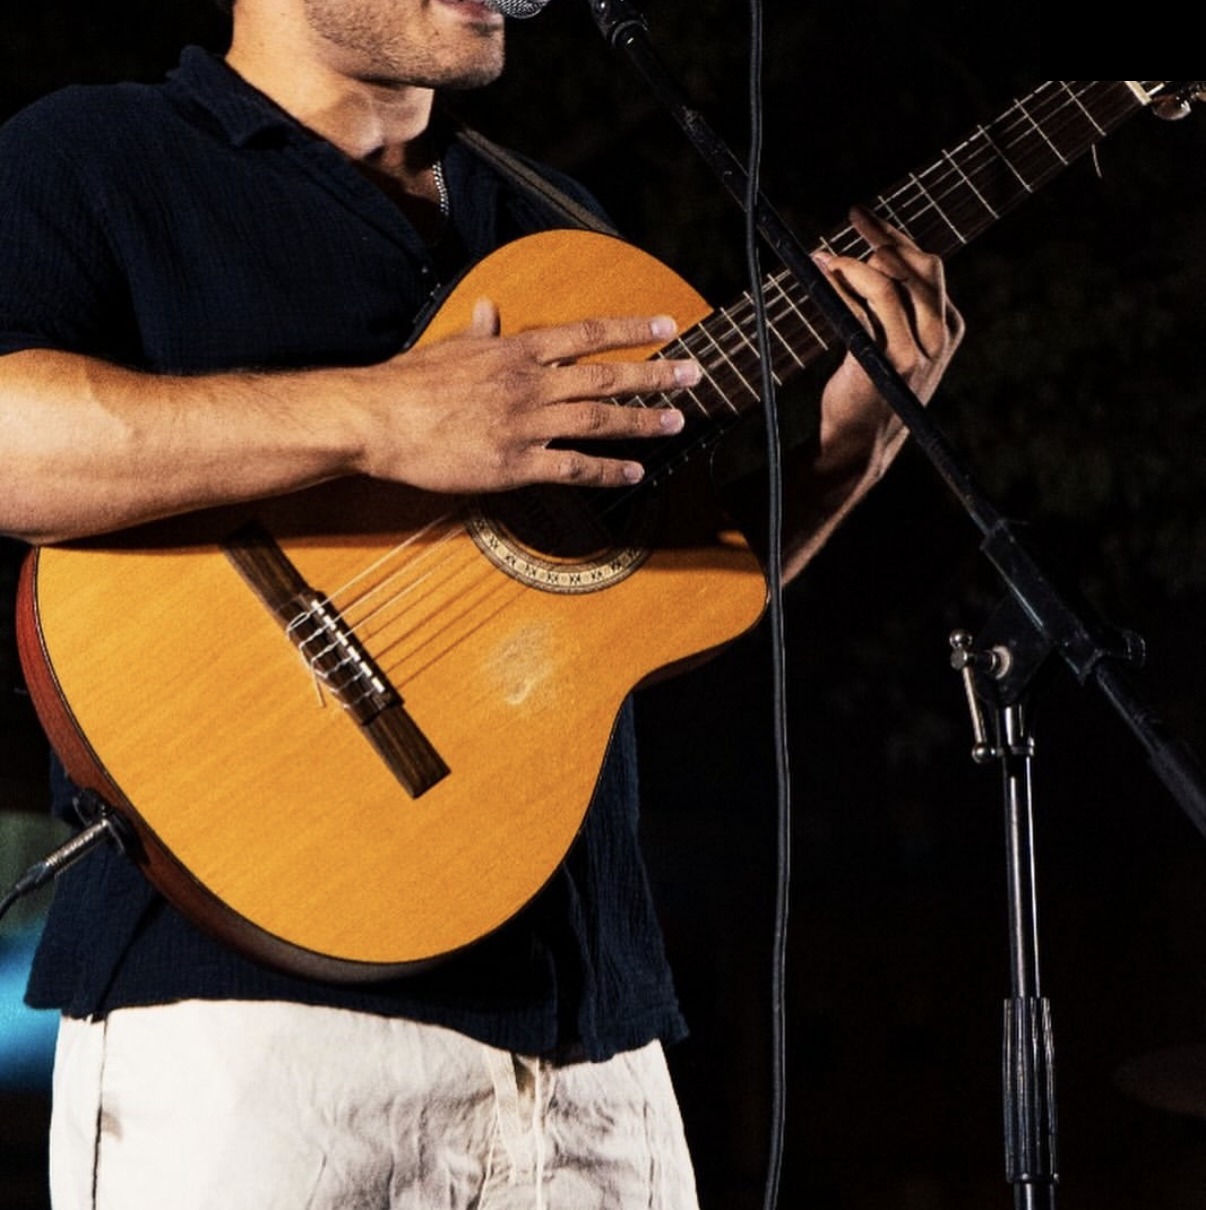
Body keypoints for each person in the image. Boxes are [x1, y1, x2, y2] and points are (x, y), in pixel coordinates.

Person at [0, 0, 961, 1206]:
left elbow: (626, 612)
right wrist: (382, 415)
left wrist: (841, 461)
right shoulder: (91, 155)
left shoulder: (555, 221)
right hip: (253, 1041)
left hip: (597, 1052)